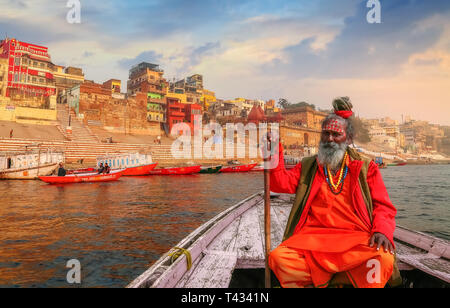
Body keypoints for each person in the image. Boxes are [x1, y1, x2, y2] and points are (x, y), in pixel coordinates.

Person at [267, 97, 400, 288]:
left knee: (383, 259)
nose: (329, 139)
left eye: (336, 134)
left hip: (355, 238)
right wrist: (273, 150)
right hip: (313, 238)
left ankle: (328, 279)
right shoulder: (308, 166)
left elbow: (383, 206)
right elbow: (279, 184)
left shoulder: (365, 167)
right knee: (279, 258)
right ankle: (343, 278)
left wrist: (382, 230)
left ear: (348, 138)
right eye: (325, 133)